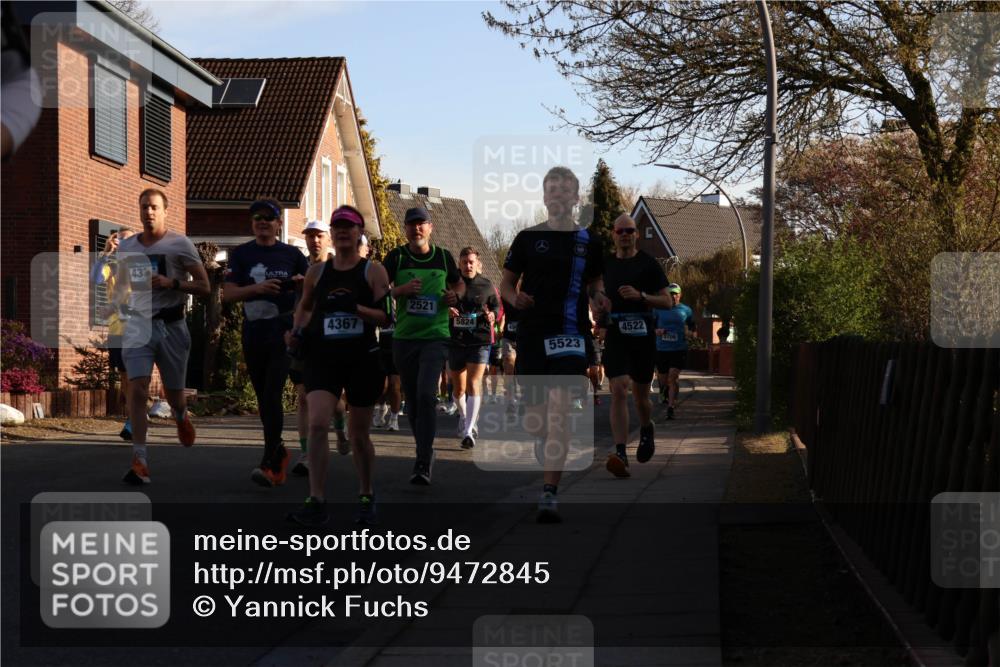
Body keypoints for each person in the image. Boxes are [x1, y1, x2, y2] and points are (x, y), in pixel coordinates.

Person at [500, 166, 609, 523]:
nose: (558, 196)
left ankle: (549, 493)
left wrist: (598, 300)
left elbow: (596, 284)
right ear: (545, 197)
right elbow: (506, 284)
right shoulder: (527, 238)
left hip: (570, 334)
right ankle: (541, 436)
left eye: (565, 190)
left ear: (576, 198)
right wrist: (513, 300)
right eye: (552, 190)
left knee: (560, 407)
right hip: (533, 334)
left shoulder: (588, 241)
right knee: (537, 421)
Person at [287, 205, 390, 526]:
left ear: (360, 233)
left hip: (362, 358)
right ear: (332, 234)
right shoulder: (317, 273)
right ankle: (316, 499)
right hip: (323, 356)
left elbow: (386, 316)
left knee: (359, 435)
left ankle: (366, 493)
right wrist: (297, 332)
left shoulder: (373, 271)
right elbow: (304, 309)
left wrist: (355, 308)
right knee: (317, 423)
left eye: (349, 226)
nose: (343, 231)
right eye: (338, 226)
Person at [118, 188, 210, 484]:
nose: (149, 212)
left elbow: (205, 286)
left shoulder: (179, 244)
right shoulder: (127, 246)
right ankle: (140, 459)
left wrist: (172, 283)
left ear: (165, 211)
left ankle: (181, 416)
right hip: (138, 325)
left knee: (174, 394)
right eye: (144, 206)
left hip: (172, 326)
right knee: (138, 388)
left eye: (154, 207)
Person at [222, 200, 309, 486]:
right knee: (263, 398)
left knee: (272, 393)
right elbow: (228, 294)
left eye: (269, 218)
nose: (263, 222)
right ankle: (279, 451)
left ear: (278, 223)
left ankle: (270, 462)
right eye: (257, 218)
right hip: (254, 330)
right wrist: (257, 288)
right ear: (252, 223)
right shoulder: (242, 254)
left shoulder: (292, 254)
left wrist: (299, 284)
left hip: (282, 331)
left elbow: (311, 290)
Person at [384, 207, 464, 485]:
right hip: (404, 338)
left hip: (435, 336)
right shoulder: (396, 257)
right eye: (411, 225)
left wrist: (455, 296)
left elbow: (459, 285)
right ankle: (425, 451)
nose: (416, 229)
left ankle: (421, 460)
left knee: (426, 394)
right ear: (405, 229)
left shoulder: (443, 256)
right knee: (414, 403)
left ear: (430, 228)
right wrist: (400, 291)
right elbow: (379, 290)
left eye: (421, 224)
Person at [601, 214, 672, 477]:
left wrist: (641, 296)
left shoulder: (648, 264)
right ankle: (620, 451)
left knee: (641, 397)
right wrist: (599, 306)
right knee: (618, 388)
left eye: (629, 230)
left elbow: (667, 302)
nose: (625, 234)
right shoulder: (606, 265)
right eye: (620, 230)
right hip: (616, 333)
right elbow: (595, 293)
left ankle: (646, 427)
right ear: (613, 234)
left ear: (636, 234)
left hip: (643, 335)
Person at [290, 220, 333, 476]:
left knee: (335, 402)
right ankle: (306, 454)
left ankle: (340, 424)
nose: (314, 241)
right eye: (310, 237)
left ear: (327, 239)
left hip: (332, 340)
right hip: (306, 339)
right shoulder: (300, 267)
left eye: (319, 236)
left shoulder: (338, 268)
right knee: (304, 397)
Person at [447, 246, 500, 449]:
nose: (468, 265)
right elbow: (442, 303)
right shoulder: (451, 284)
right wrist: (448, 310)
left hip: (480, 339)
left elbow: (496, 307)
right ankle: (464, 416)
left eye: (471, 262)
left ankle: (469, 430)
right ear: (459, 264)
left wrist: (493, 315)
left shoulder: (487, 285)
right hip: (456, 340)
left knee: (474, 382)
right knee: (458, 389)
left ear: (478, 263)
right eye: (464, 262)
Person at [91, 228, 135, 441]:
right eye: (119, 239)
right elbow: (95, 279)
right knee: (125, 379)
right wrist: (106, 253)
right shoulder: (111, 265)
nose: (122, 243)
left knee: (136, 377)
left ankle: (135, 420)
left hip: (138, 329)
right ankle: (133, 418)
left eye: (127, 239)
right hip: (117, 330)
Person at [654, 283, 696, 420]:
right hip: (661, 349)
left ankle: (671, 407)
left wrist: (689, 333)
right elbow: (650, 328)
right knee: (663, 378)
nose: (673, 296)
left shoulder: (686, 310)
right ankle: (663, 390)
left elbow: (694, 331)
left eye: (675, 293)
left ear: (680, 295)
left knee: (673, 377)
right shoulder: (658, 310)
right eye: (670, 293)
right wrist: (657, 331)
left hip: (679, 349)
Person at [372, 294, 401, 432]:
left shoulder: (403, 295)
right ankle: (382, 407)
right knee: (382, 386)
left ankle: (394, 418)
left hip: (397, 345)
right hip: (380, 345)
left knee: (395, 385)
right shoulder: (378, 296)